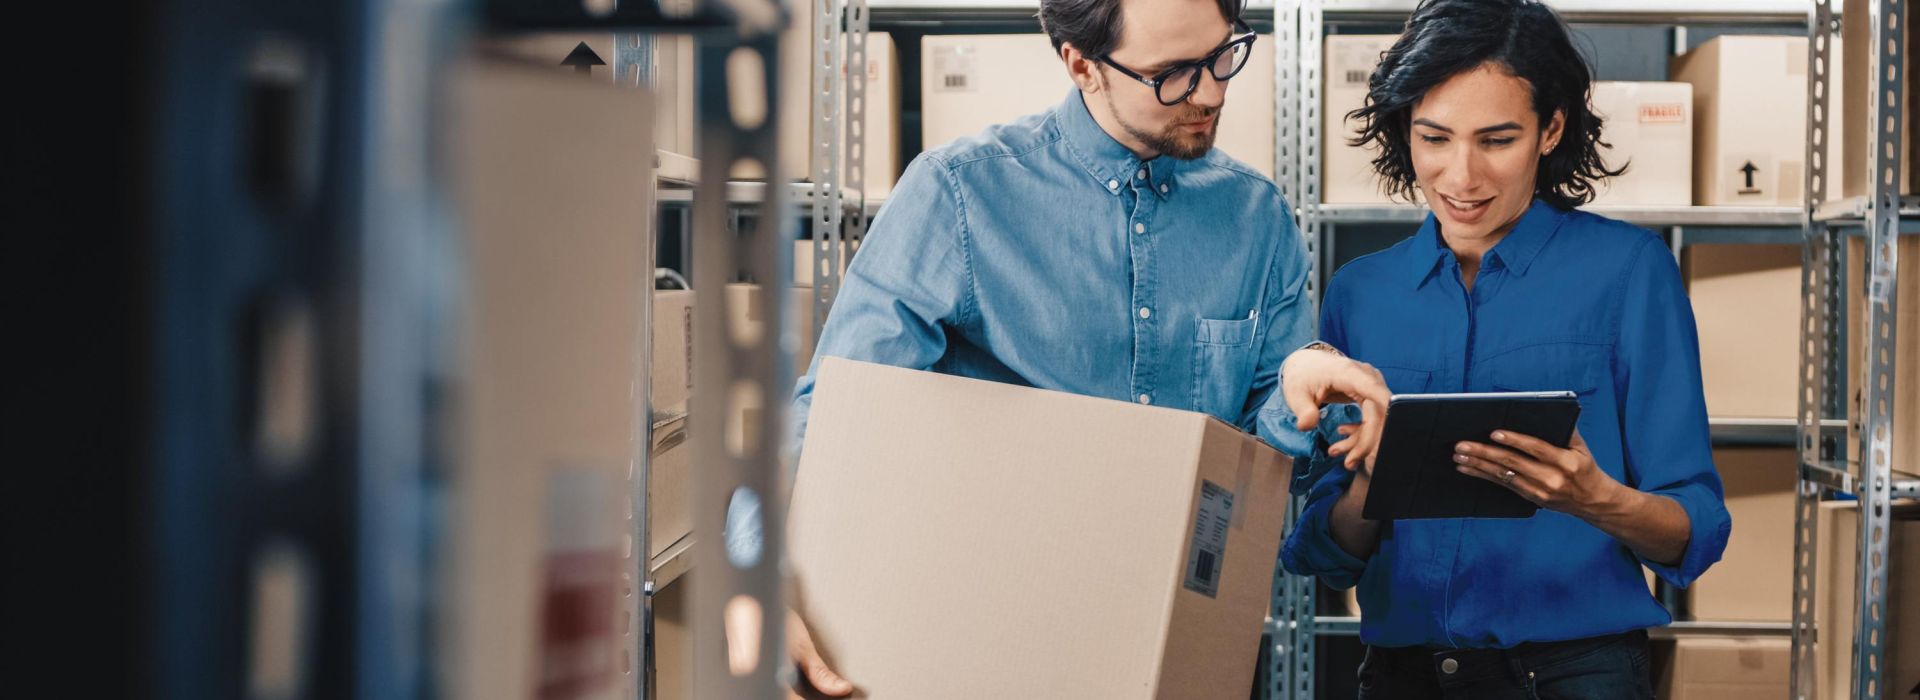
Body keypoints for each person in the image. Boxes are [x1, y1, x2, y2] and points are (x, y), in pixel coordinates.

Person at [768, 0, 1393, 695]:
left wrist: (1295, 390)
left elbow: (1255, 464)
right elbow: (831, 421)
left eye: (1223, 54)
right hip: (985, 654)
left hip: (1180, 655)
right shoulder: (960, 197)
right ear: (1081, 65)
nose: (1212, 91)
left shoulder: (1259, 221)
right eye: (1173, 73)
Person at [1275, 1, 1732, 697]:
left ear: (1550, 129)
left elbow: (1694, 531)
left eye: (1496, 140)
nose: (1461, 177)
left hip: (1578, 675)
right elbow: (1327, 559)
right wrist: (1374, 475)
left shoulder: (1631, 272)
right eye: (1434, 138)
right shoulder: (1360, 293)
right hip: (1403, 679)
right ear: (1405, 130)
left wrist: (1595, 499)